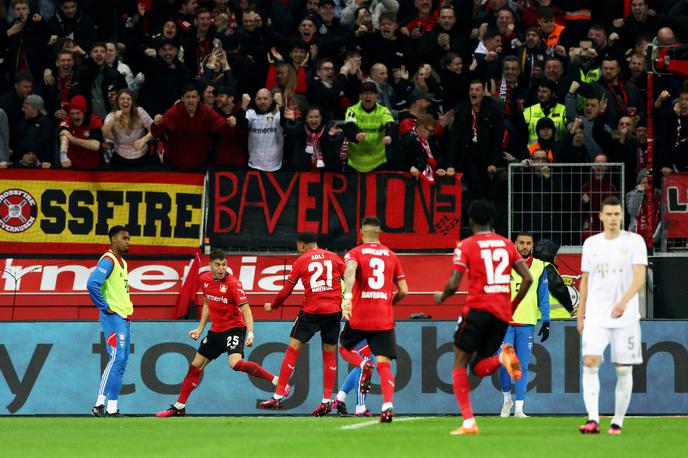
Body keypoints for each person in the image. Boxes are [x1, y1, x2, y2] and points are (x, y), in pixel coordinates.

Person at [434, 199, 533, 435]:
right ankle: (503, 358)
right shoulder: (507, 245)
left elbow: (455, 283)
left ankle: (469, 422)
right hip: (501, 315)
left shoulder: (467, 245)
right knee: (478, 368)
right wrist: (512, 305)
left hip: (477, 310)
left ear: (470, 221)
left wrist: (443, 296)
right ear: (492, 221)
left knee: (459, 363)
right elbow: (528, 278)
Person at [156, 249, 286, 417]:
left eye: (224, 264)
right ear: (210, 265)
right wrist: (200, 329)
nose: (221, 268)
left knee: (235, 364)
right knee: (195, 366)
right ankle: (179, 407)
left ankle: (277, 381)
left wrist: (251, 333)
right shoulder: (204, 280)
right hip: (215, 331)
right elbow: (206, 303)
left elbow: (246, 309)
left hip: (234, 328)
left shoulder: (233, 283)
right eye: (217, 265)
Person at [577, 196, 647, 434]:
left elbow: (640, 275)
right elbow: (585, 280)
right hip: (596, 315)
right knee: (590, 363)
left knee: (624, 369)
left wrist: (624, 302)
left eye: (617, 214)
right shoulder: (591, 244)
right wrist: (580, 315)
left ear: (621, 216)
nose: (613, 219)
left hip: (626, 317)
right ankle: (593, 419)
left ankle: (617, 421)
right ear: (600, 216)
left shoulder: (635, 241)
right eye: (608, 214)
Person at [258, 232, 345, 415]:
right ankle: (327, 401)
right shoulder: (334, 257)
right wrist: (347, 300)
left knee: (292, 350)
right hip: (333, 311)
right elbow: (350, 278)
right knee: (329, 355)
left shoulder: (301, 260)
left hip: (311, 311)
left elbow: (286, 290)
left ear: (302, 244)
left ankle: (278, 396)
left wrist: (273, 306)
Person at [338, 216, 408, 423]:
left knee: (343, 348)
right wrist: (388, 303)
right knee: (384, 363)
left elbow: (350, 270)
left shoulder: (355, 253)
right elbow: (404, 290)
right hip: (383, 318)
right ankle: (387, 405)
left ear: (361, 232)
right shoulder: (392, 256)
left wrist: (348, 296)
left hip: (360, 315)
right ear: (379, 233)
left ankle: (361, 365)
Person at [499, 232, 550, 418]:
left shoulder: (539, 267)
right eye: (521, 242)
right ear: (514, 244)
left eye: (528, 243)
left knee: (522, 365)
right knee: (505, 364)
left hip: (527, 322)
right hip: (504, 322)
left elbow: (543, 296)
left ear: (533, 246)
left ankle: (519, 409)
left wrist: (546, 320)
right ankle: (507, 399)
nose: (525, 246)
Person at [86, 225, 133, 417]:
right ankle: (99, 404)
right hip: (113, 318)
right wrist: (104, 307)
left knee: (121, 362)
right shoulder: (108, 260)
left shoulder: (123, 263)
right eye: (124, 238)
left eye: (129, 238)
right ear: (113, 239)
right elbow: (92, 284)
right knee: (116, 358)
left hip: (124, 317)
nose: (128, 241)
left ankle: (112, 408)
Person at [342, 80, 395, 173]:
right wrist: (355, 135)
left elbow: (390, 124)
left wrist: (389, 135)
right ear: (360, 96)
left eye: (371, 93)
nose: (367, 96)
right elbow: (349, 126)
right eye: (364, 93)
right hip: (355, 162)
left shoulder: (383, 110)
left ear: (376, 95)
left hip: (378, 162)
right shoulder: (352, 110)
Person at [331, 339, 374, 417]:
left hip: (357, 330)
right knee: (366, 363)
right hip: (359, 330)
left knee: (363, 364)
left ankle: (340, 398)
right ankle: (360, 407)